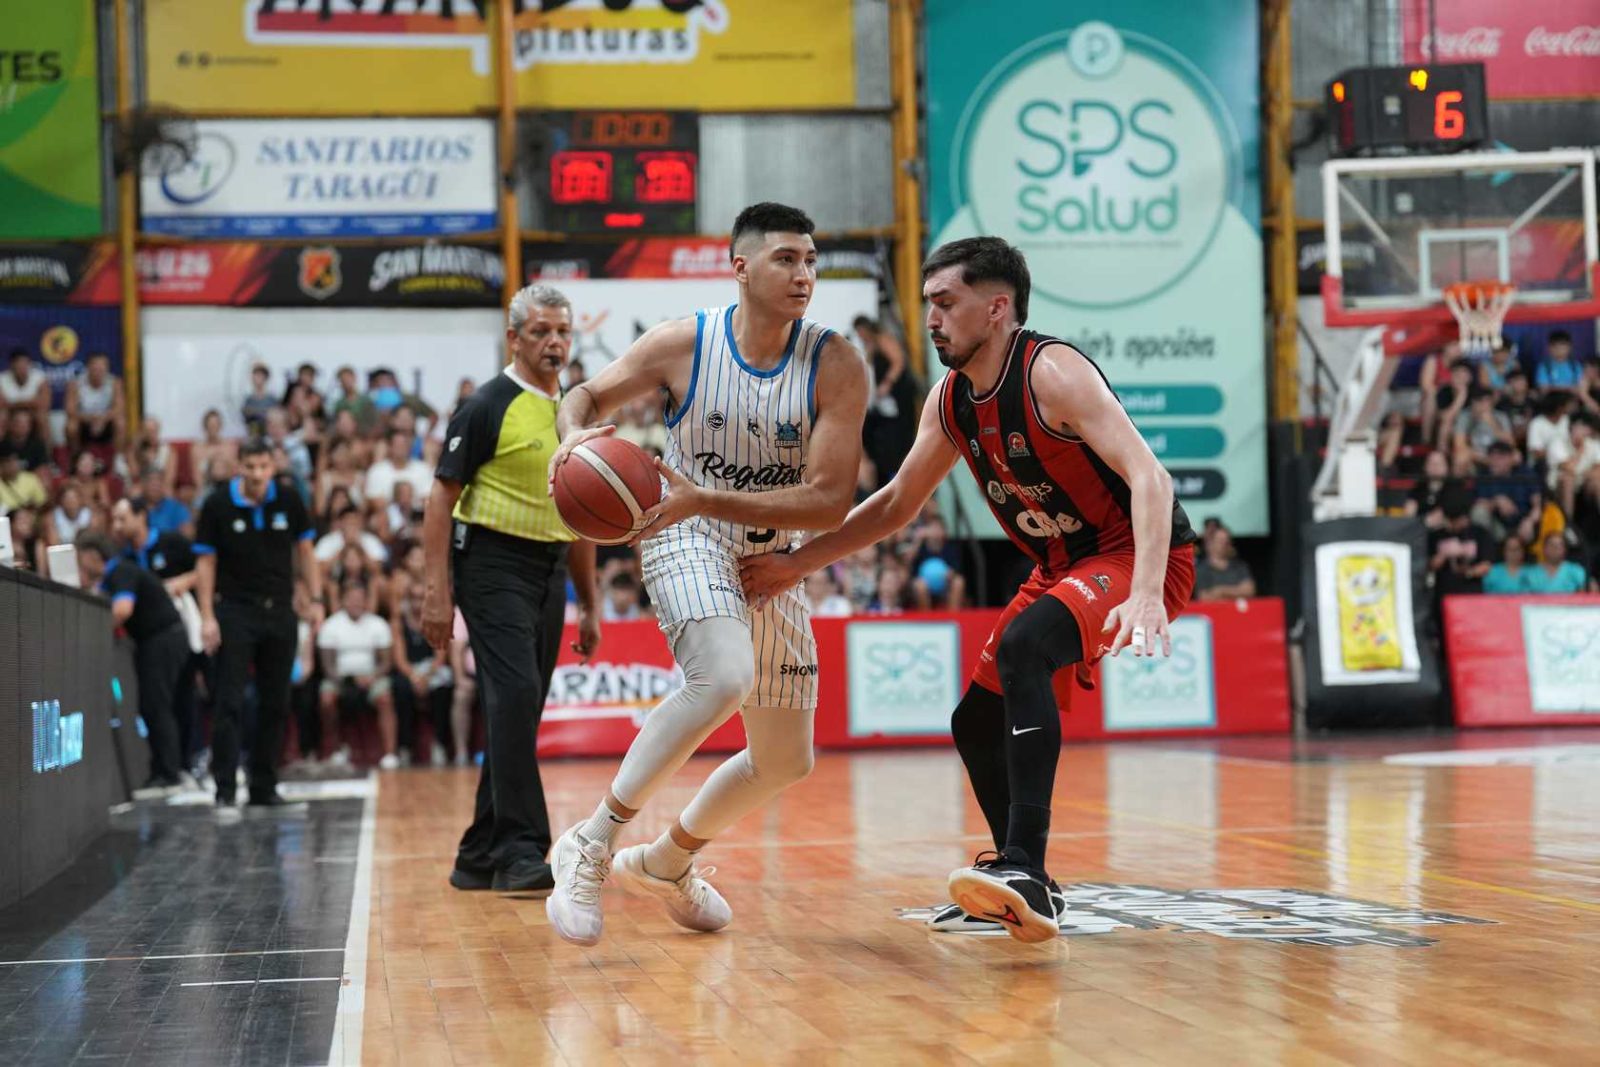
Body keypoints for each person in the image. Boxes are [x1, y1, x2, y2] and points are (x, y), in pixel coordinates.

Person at [742, 236, 1199, 942]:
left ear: (997, 308)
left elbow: (1152, 478)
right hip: (1061, 563)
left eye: (945, 302)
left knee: (1023, 647)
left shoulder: (1054, 373)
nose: (932, 318)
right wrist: (799, 563)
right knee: (972, 722)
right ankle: (1025, 886)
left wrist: (1142, 594)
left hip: (1138, 553)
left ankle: (1023, 866)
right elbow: (896, 505)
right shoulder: (952, 401)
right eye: (928, 304)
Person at [543, 202, 869, 946]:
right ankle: (591, 844)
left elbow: (827, 501)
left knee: (787, 758)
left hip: (771, 555)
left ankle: (665, 861)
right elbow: (584, 395)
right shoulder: (683, 342)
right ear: (741, 266)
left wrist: (706, 494)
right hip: (683, 530)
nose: (804, 274)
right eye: (787, 258)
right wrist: (573, 437)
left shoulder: (837, 362)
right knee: (722, 675)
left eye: (812, 260)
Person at [422, 283, 601, 895]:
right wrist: (435, 591)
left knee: (519, 707)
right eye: (541, 332)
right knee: (516, 693)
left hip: (550, 569)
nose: (554, 343)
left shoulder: (574, 413)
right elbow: (439, 500)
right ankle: (523, 851)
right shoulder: (485, 406)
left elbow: (583, 515)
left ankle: (478, 854)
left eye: (562, 332)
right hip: (489, 563)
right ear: (514, 338)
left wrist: (590, 604)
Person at [194, 439, 324, 808]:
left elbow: (306, 551)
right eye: (250, 467)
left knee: (276, 701)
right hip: (235, 610)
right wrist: (207, 616)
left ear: (273, 466)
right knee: (229, 701)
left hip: (280, 610)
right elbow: (206, 563)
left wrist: (314, 599)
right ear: (239, 467)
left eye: (263, 467)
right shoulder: (217, 504)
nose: (256, 474)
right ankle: (225, 788)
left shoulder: (288, 499)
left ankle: (264, 786)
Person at [75, 531, 189, 791]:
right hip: (153, 641)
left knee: (156, 704)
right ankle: (162, 769)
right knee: (151, 705)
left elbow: (123, 609)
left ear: (93, 556)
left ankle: (170, 773)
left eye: (81, 560)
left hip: (163, 639)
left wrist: (97, 632)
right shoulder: (110, 578)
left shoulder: (121, 572)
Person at [317, 582, 399, 769]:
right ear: (343, 601)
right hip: (340, 678)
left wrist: (371, 677)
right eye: (352, 599)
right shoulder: (331, 625)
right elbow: (327, 666)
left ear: (366, 602)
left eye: (360, 599)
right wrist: (347, 680)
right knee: (326, 699)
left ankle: (390, 754)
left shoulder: (378, 624)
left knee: (385, 698)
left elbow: (386, 663)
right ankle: (335, 750)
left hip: (372, 677)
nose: (356, 603)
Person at [856, 315, 920, 488]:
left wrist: (887, 383)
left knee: (900, 438)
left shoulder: (884, 339)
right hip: (884, 402)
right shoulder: (870, 346)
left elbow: (898, 361)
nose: (860, 335)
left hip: (899, 395)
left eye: (861, 332)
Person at [1427, 486, 1494, 599]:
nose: (1452, 525)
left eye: (1456, 521)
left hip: (1471, 595)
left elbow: (1486, 566)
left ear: (1465, 517)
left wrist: (1468, 572)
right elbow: (1430, 566)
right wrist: (1444, 554)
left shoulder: (1480, 534)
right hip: (1444, 595)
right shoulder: (1436, 535)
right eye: (1450, 521)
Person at [65, 353, 124, 453]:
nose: (99, 370)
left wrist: (103, 418)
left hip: (106, 420)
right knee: (71, 426)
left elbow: (119, 408)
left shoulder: (114, 382)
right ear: (88, 367)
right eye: (95, 366)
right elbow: (70, 410)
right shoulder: (75, 383)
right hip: (84, 420)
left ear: (107, 368)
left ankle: (118, 458)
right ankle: (76, 456)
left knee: (121, 423)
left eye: (102, 366)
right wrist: (90, 419)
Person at [364, 429, 433, 506]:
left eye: (404, 445)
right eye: (397, 445)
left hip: (417, 515)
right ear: (390, 448)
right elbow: (372, 500)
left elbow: (427, 499)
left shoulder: (423, 469)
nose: (401, 449)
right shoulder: (376, 470)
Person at [1193, 524, 1256, 601]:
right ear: (1210, 543)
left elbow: (1249, 590)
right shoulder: (1200, 570)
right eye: (1220, 541)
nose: (1224, 545)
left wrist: (1221, 591)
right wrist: (1237, 592)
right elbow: (1203, 597)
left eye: (1227, 541)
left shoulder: (1239, 566)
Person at [1523, 532, 1590, 594]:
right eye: (1551, 545)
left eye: (1559, 546)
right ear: (1544, 548)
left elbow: (1582, 598)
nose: (1555, 548)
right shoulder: (1530, 572)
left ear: (1564, 549)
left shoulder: (1576, 570)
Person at [1, 348, 50, 422]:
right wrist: (30, 403)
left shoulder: (39, 377)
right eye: (18, 364)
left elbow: (44, 403)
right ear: (12, 365)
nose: (22, 367)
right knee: (1, 416)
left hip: (32, 412)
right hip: (9, 413)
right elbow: (2, 404)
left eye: (25, 363)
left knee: (42, 416)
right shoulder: (2, 378)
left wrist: (14, 404)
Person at [0, 441, 48, 512]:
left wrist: (33, 507)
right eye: (8, 461)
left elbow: (43, 503)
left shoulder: (30, 478)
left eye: (14, 460)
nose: (13, 464)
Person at [5, 407, 51, 473]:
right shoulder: (2, 445)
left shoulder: (38, 446)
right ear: (10, 424)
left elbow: (43, 468)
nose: (23, 426)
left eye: (26, 422)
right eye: (19, 422)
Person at [241, 363, 277, 436]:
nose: (258, 378)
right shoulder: (248, 400)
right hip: (253, 436)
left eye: (261, 375)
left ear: (266, 378)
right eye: (256, 375)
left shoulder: (272, 400)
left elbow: (275, 417)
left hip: (270, 436)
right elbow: (246, 416)